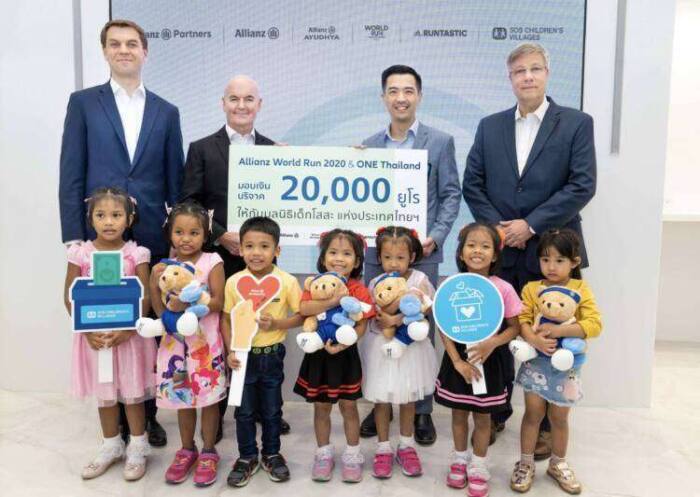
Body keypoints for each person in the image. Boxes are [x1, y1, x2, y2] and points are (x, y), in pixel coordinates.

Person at [462, 42, 596, 453]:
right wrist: (501, 232)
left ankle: (546, 427)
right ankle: (496, 412)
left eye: (535, 69)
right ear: (510, 78)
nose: (528, 77)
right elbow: (473, 184)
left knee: (549, 334)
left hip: (552, 253)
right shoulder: (490, 126)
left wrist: (531, 224)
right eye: (520, 71)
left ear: (547, 73)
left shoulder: (576, 123)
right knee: (500, 332)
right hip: (503, 253)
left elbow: (582, 184)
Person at [59, 19, 184, 447]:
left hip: (149, 232)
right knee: (106, 318)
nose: (124, 50)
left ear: (145, 51)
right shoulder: (83, 104)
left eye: (132, 43)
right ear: (105, 51)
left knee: (147, 321)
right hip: (99, 234)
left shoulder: (167, 111)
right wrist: (74, 237)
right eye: (115, 44)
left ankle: (146, 414)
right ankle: (115, 420)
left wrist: (176, 240)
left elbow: (175, 180)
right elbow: (71, 171)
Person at [181, 76, 290, 437]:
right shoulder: (201, 149)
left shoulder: (275, 150)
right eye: (234, 99)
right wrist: (219, 235)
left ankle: (265, 408)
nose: (241, 105)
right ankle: (223, 408)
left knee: (264, 329)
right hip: (220, 258)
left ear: (259, 104)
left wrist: (295, 163)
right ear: (223, 103)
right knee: (222, 331)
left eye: (248, 99)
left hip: (264, 261)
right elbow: (190, 203)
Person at [361, 64, 461, 446]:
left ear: (419, 96)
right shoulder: (368, 145)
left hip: (424, 253)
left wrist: (436, 236)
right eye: (393, 91)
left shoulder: (441, 142)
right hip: (379, 255)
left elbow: (450, 194)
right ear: (383, 97)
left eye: (408, 91)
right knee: (379, 325)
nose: (400, 98)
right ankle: (380, 402)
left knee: (419, 328)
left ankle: (421, 409)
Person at [63, 187, 154, 481]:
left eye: (116, 215)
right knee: (105, 395)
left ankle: (138, 447)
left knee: (132, 392)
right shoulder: (80, 254)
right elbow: (70, 296)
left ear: (129, 219)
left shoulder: (137, 254)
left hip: (128, 340)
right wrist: (87, 330)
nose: (109, 221)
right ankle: (111, 445)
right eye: (101, 215)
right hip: (95, 338)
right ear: (90, 219)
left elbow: (145, 297)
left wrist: (129, 329)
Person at [510, 229, 602, 494]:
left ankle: (557, 463)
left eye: (559, 260)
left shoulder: (580, 289)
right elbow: (523, 320)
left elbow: (594, 325)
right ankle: (525, 463)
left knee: (559, 418)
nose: (551, 267)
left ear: (574, 262)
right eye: (545, 259)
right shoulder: (531, 289)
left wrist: (560, 330)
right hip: (536, 363)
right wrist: (534, 339)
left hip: (567, 367)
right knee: (532, 414)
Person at [435, 223, 522, 497]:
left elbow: (515, 327)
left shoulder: (503, 288)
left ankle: (479, 466)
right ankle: (460, 460)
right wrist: (457, 361)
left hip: (490, 360)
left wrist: (491, 343)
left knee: (484, 418)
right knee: (459, 414)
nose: (477, 251)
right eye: (471, 245)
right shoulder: (450, 286)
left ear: (495, 255)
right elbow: (443, 327)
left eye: (485, 246)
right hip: (458, 361)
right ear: (461, 252)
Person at [222, 217, 303, 487]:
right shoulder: (234, 282)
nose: (256, 253)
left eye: (264, 246)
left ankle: (271, 453)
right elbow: (225, 319)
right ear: (240, 249)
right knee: (243, 411)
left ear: (277, 250)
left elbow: (301, 315)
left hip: (272, 356)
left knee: (272, 410)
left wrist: (277, 324)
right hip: (242, 357)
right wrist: (230, 350)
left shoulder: (287, 281)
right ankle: (247, 456)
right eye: (249, 246)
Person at [150, 202, 227, 487]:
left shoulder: (212, 261)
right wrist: (154, 281)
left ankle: (208, 451)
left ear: (205, 235)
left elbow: (219, 301)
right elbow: (159, 309)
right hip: (175, 348)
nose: (186, 238)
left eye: (194, 232)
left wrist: (191, 303)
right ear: (170, 234)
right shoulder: (164, 267)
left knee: (208, 400)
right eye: (179, 232)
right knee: (182, 399)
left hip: (205, 346)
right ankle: (186, 449)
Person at [294, 229, 376, 483]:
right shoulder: (315, 284)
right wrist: (333, 301)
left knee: (349, 406)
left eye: (347, 253)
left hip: (345, 355)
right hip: (317, 354)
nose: (339, 258)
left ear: (357, 260)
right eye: (333, 252)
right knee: (321, 407)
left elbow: (361, 324)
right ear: (323, 257)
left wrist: (343, 344)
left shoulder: (358, 289)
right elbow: (304, 308)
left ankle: (352, 455)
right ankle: (323, 454)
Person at [362, 226, 438, 479]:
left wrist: (397, 319)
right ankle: (383, 448)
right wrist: (384, 316)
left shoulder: (419, 280)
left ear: (412, 257)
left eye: (400, 257)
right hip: (381, 347)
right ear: (379, 258)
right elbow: (374, 313)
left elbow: (426, 308)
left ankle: (406, 445)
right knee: (381, 400)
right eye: (387, 257)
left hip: (411, 350)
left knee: (408, 398)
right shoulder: (375, 282)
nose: (393, 263)